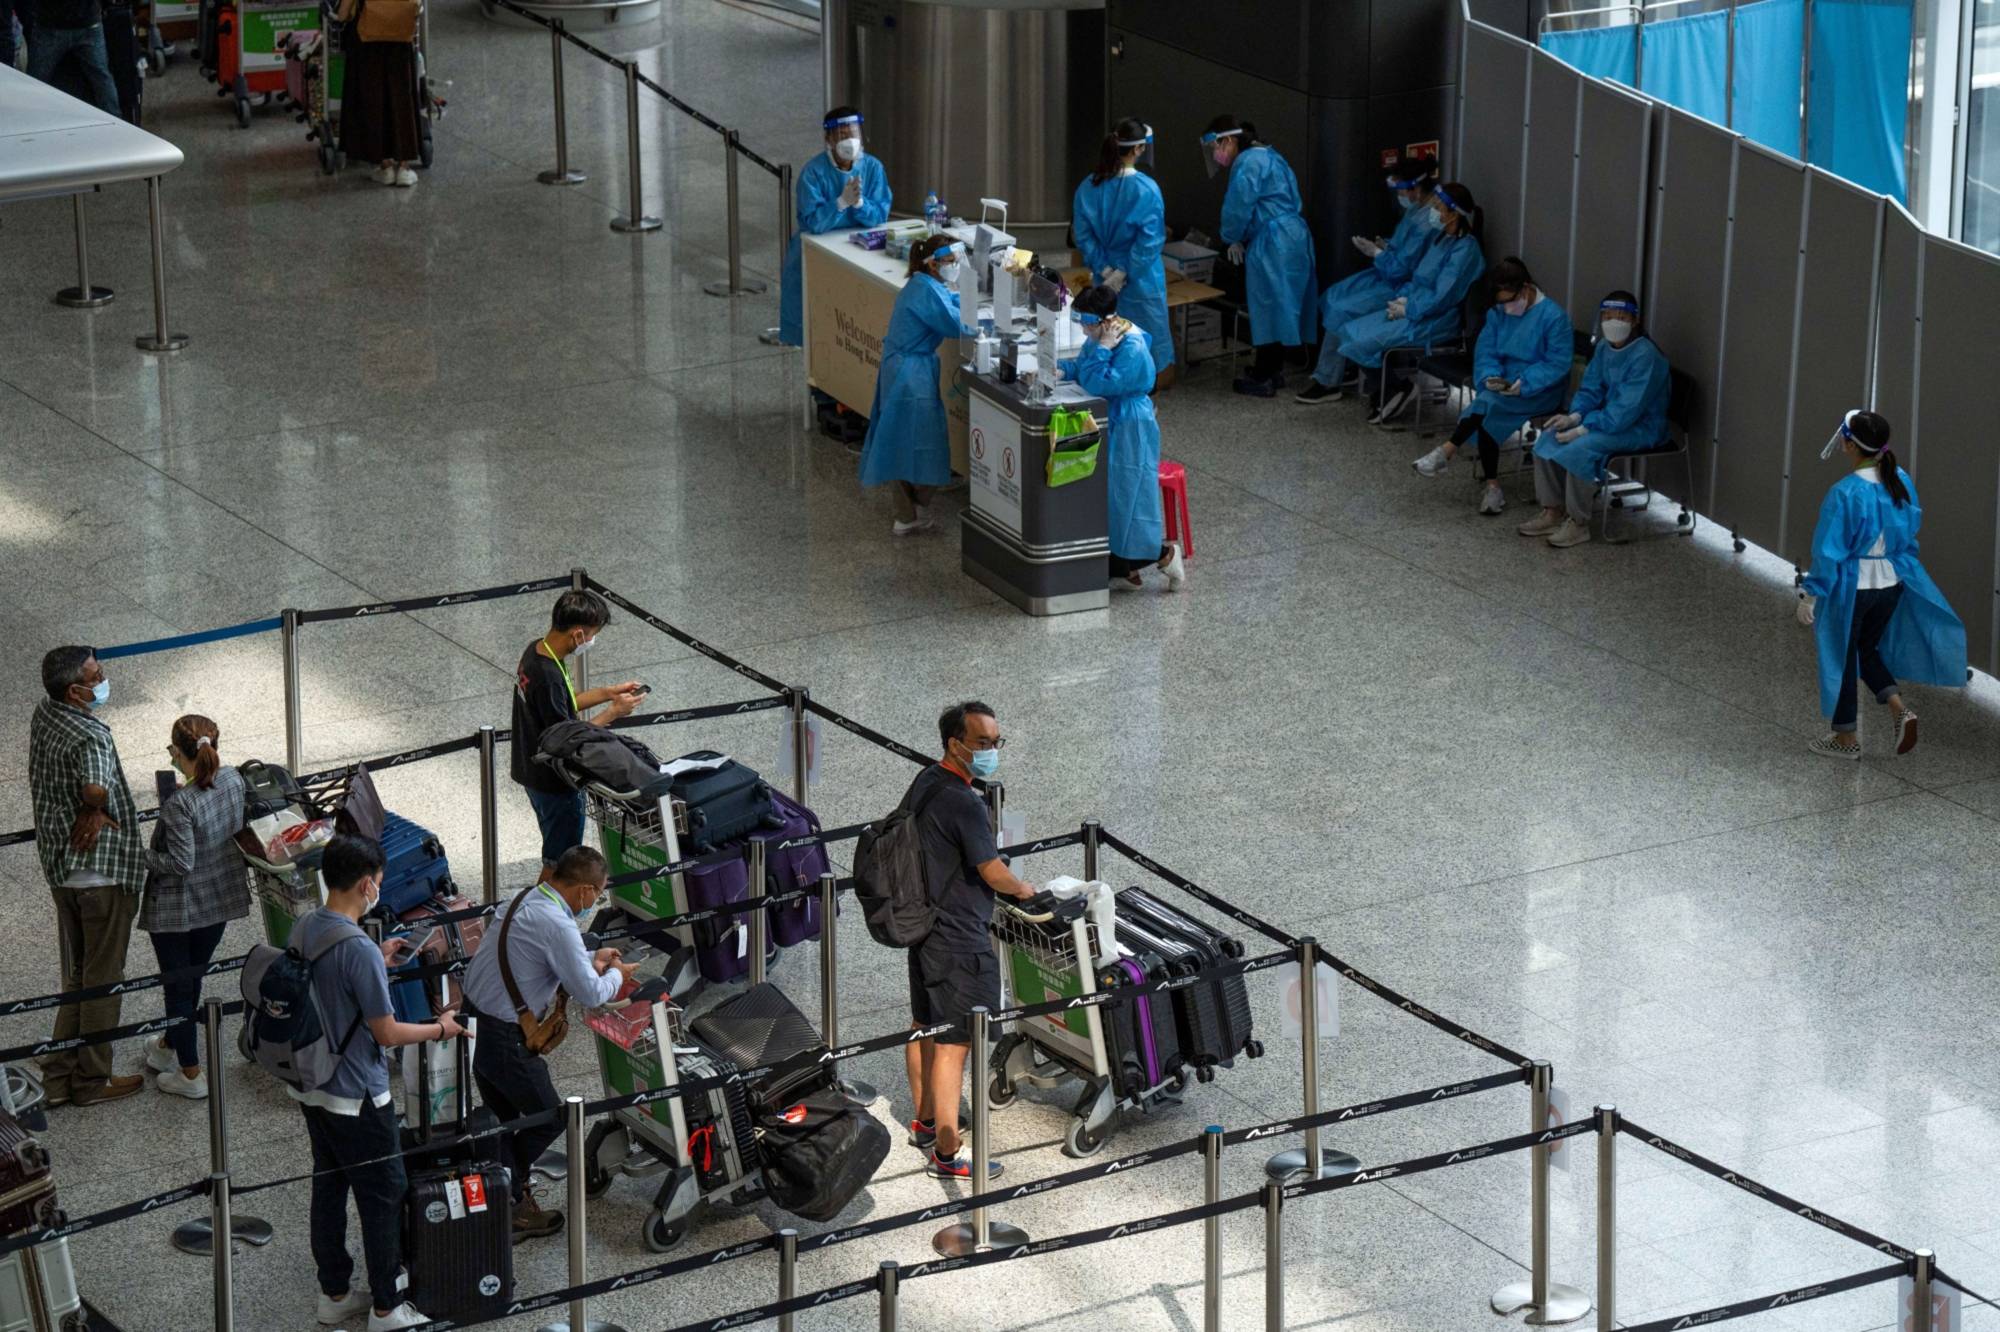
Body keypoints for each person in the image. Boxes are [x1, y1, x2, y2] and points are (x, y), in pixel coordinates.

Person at [291, 834, 464, 1332]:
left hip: (311, 1082)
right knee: (383, 1192)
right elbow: (385, 1031)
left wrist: (377, 959)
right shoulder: (357, 950)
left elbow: (332, 994)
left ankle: (336, 1293)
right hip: (357, 1093)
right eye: (379, 883)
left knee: (329, 1184)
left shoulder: (308, 927)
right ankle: (387, 1307)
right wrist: (440, 1028)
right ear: (367, 883)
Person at [461, 846, 634, 1243]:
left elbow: (539, 955)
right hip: (505, 1037)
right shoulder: (559, 925)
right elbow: (591, 993)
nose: (596, 902)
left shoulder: (523, 897)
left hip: (473, 1025)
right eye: (599, 894)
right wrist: (618, 975)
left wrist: (590, 955)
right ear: (586, 891)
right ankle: (506, 1191)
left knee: (506, 1118)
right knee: (550, 1116)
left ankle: (504, 1195)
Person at [900, 702, 1037, 1181]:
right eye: (982, 743)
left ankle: (924, 1120)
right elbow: (991, 870)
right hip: (960, 939)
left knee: (923, 1027)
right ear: (954, 744)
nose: (991, 751)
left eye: (996, 742)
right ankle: (946, 1152)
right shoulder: (964, 800)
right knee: (955, 1043)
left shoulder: (925, 782)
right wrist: (1023, 889)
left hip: (924, 930)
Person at [1796, 411, 1966, 759]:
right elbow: (1909, 530)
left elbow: (1829, 551)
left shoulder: (1844, 493)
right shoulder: (1899, 479)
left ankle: (1846, 740)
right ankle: (1899, 708)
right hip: (1891, 583)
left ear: (1847, 443)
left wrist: (1809, 594)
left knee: (1842, 656)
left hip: (1853, 588)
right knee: (1865, 650)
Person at [28, 646, 143, 1108]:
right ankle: (93, 1080)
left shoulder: (46, 711)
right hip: (100, 876)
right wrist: (95, 807)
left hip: (61, 867)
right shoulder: (90, 735)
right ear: (76, 691)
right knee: (103, 981)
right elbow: (96, 784)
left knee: (78, 976)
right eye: (97, 675)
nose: (103, 679)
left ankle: (57, 1076)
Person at [138, 715, 250, 1101]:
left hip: (176, 911)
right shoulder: (234, 778)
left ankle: (190, 1072)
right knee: (192, 977)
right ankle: (169, 1044)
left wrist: (141, 855)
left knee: (177, 987)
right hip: (218, 901)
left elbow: (180, 864)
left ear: (176, 751)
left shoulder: (180, 804)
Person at [1410, 257, 1573, 517]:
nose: (1507, 307)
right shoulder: (1497, 313)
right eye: (1501, 302)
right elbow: (1487, 351)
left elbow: (1557, 363)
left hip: (1540, 390)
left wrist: (1524, 383)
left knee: (1485, 407)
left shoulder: (1554, 317)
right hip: (1502, 386)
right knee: (1488, 407)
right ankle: (1491, 486)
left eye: (1510, 300)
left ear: (1525, 288)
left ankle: (1448, 452)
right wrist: (1489, 377)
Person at [1518, 292, 1671, 549]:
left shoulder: (1647, 357)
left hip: (1640, 427)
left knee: (1581, 449)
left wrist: (1584, 429)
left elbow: (1626, 410)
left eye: (1620, 317)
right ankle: (1552, 511)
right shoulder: (1603, 347)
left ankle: (1578, 523)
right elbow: (1591, 388)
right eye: (1607, 317)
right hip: (1604, 420)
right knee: (1547, 438)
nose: (1613, 323)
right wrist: (1573, 416)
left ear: (1634, 321)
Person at [512, 590, 646, 883]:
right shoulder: (549, 679)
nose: (591, 642)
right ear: (577, 635)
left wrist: (606, 692)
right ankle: (540, 920)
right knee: (559, 862)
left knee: (554, 846)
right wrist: (613, 712)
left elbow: (565, 703)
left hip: (530, 771)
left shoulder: (537, 651)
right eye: (592, 635)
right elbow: (570, 743)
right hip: (555, 784)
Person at [1325, 182, 1486, 426]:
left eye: (1437, 208)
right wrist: (1403, 298)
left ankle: (1396, 389)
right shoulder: (1441, 239)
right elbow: (1420, 277)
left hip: (1436, 319)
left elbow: (1443, 296)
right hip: (1416, 306)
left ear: (1453, 214)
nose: (1432, 213)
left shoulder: (1465, 251)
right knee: (1349, 330)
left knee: (1362, 341)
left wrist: (1409, 308)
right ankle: (1385, 387)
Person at [1060, 285, 1186, 591]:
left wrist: (1101, 351)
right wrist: (1060, 369)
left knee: (1128, 494)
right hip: (1113, 417)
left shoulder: (1129, 345)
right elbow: (1084, 366)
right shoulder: (1102, 335)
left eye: (1086, 323)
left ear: (1103, 321)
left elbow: (1099, 382)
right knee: (1108, 494)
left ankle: (1164, 554)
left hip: (1131, 422)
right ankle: (1122, 565)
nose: (1083, 329)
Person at [1297, 157, 1440, 404]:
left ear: (1414, 187)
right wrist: (1385, 246)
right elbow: (1405, 249)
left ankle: (1328, 380)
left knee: (1341, 310)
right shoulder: (1417, 210)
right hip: (1387, 274)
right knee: (1333, 297)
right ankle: (1343, 368)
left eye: (1400, 188)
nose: (1399, 195)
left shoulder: (1430, 219)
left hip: (1400, 285)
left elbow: (1406, 267)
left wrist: (1379, 254)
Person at [858, 234, 965, 537]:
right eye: (950, 263)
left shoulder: (924, 284)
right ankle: (910, 512)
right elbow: (958, 325)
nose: (954, 267)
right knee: (921, 438)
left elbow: (947, 300)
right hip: (910, 374)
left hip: (903, 368)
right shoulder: (925, 290)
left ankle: (909, 511)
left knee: (900, 438)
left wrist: (959, 294)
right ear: (933, 265)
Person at [1204, 115, 1317, 397]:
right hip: (1294, 235)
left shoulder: (1248, 163)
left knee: (1266, 306)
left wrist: (1231, 238)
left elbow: (1238, 205)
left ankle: (1264, 376)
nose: (1216, 154)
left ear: (1228, 140)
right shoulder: (1271, 155)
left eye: (1217, 146)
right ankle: (1272, 368)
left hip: (1272, 241)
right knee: (1283, 305)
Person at [774, 106, 893, 348]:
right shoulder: (814, 173)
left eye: (853, 133)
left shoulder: (872, 168)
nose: (849, 140)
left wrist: (859, 203)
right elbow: (813, 222)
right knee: (817, 324)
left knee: (855, 321)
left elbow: (880, 214)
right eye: (841, 135)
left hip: (860, 251)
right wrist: (839, 203)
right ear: (828, 139)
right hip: (818, 252)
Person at [1072, 119, 1175, 388]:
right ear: (1139, 149)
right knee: (1145, 341)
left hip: (1103, 277)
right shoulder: (1146, 189)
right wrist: (1125, 272)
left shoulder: (1088, 186)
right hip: (1141, 280)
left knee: (1105, 336)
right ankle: (1144, 395)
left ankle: (1105, 386)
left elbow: (1082, 235)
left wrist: (1105, 269)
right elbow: (1150, 240)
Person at [336, 0, 421, 187]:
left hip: (367, 44)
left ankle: (385, 165)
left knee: (372, 98)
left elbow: (343, 14)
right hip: (400, 38)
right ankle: (405, 167)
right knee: (401, 98)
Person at [26, 0, 118, 114]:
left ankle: (28, 115)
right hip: (88, 21)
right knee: (101, 77)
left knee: (35, 79)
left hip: (51, 23)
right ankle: (116, 118)